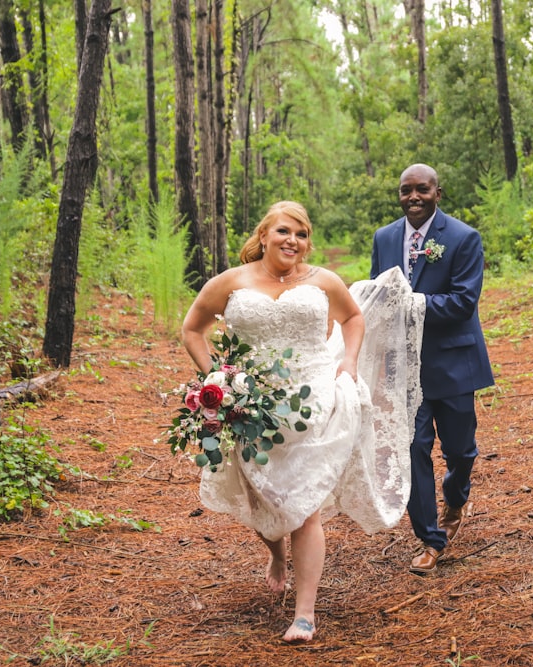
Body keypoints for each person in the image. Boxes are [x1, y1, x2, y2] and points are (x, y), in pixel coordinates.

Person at [181, 201, 422, 642]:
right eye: (284, 232)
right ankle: (276, 554)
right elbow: (192, 328)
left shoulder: (323, 281)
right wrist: (216, 376)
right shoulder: (231, 282)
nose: (293, 241)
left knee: (305, 507)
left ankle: (305, 614)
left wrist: (348, 361)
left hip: (314, 403)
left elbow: (352, 317)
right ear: (264, 235)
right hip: (252, 407)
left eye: (302, 234)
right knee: (263, 502)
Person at [370, 164, 495, 575]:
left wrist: (412, 304)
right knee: (412, 449)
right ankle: (430, 537)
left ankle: (456, 494)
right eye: (406, 190)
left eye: (422, 189)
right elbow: (378, 293)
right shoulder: (384, 238)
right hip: (405, 367)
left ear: (438, 193)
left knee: (460, 449)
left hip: (454, 361)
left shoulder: (462, 237)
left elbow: (463, 303)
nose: (413, 197)